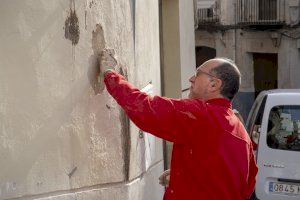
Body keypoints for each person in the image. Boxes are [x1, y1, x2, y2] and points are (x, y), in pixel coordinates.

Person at [98, 49, 258, 200]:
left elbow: (145, 108)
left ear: (214, 85)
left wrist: (110, 74)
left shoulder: (201, 114)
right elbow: (245, 186)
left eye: (198, 74)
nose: (191, 79)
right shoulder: (241, 133)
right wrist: (188, 176)